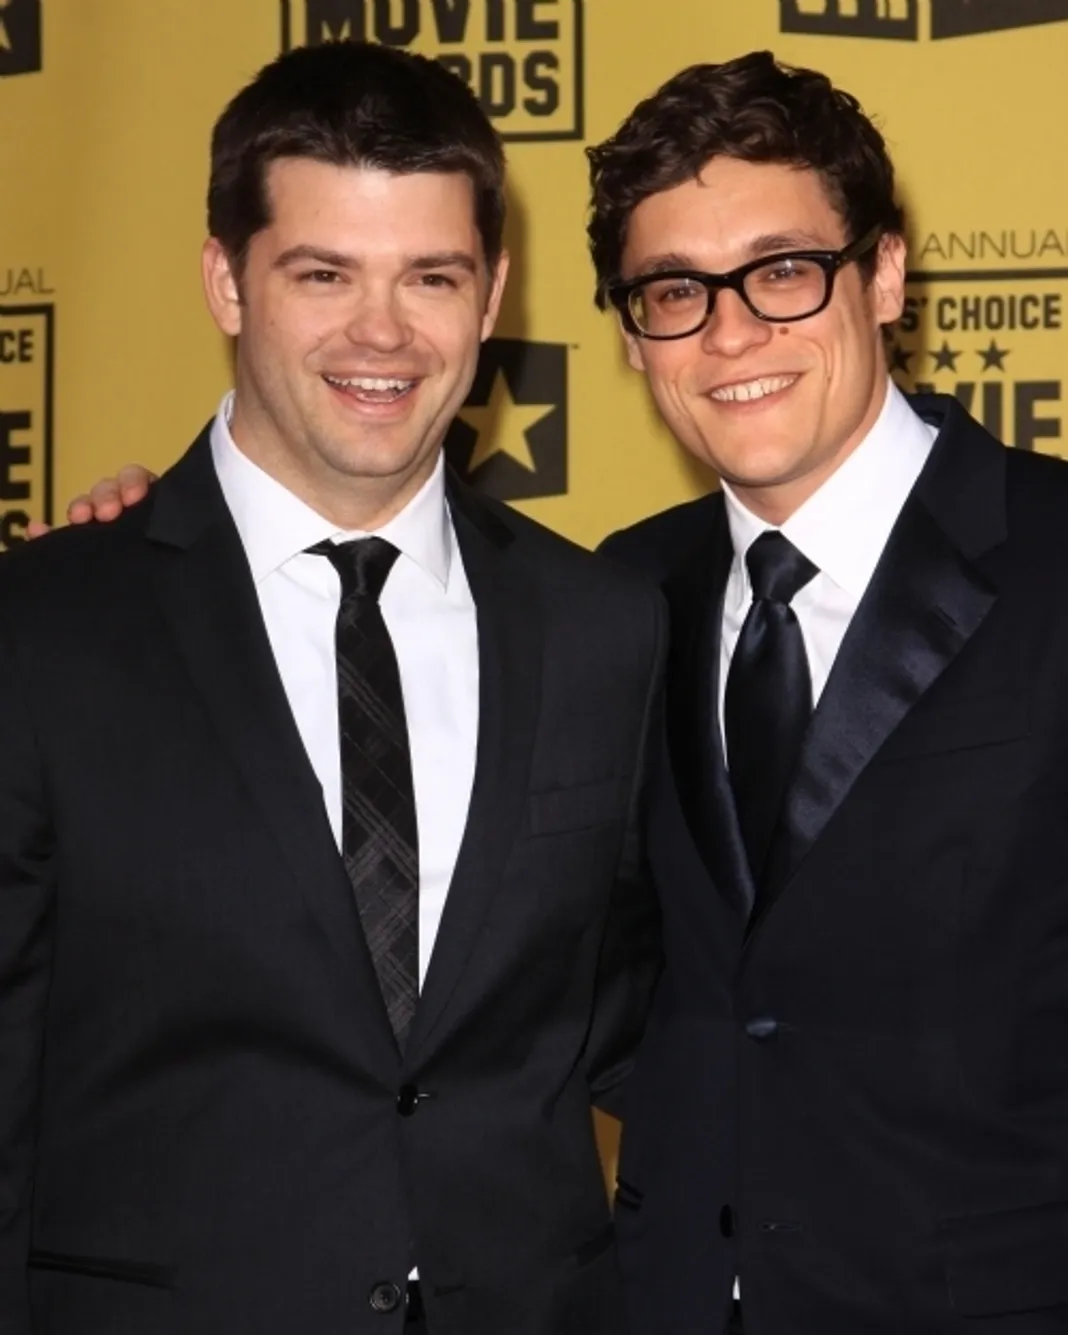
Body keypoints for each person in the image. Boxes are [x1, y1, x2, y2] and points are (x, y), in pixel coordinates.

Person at [0, 41, 665, 1335]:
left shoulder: (608, 628)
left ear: (492, 296)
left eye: (431, 276)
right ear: (225, 282)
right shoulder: (43, 628)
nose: (383, 332)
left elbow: (654, 1028)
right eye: (323, 273)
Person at [586, 51, 1068, 1335]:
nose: (731, 333)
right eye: (675, 291)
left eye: (783, 272)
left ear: (886, 277)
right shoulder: (612, 602)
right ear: (636, 340)